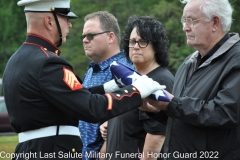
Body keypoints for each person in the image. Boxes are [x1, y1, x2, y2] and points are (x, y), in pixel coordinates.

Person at [2, 1, 164, 160]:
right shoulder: (48, 62)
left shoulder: (16, 60)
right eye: (65, 18)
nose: (70, 25)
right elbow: (92, 108)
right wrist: (136, 91)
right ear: (49, 21)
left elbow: (68, 97)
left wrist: (106, 88)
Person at [143, 0, 240, 159]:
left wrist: (171, 104)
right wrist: (156, 110)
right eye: (184, 20)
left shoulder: (236, 60)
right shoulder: (188, 63)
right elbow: (182, 116)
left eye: (191, 20)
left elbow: (226, 113)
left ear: (215, 22)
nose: (185, 27)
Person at [99, 15, 174, 160]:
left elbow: (158, 135)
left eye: (143, 42)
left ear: (156, 47)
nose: (136, 46)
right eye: (132, 41)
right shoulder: (129, 79)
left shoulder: (160, 80)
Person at [78, 11, 134, 160]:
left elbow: (124, 117)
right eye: (83, 36)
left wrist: (103, 154)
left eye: (90, 35)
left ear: (110, 37)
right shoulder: (91, 70)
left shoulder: (125, 70)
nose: (85, 40)